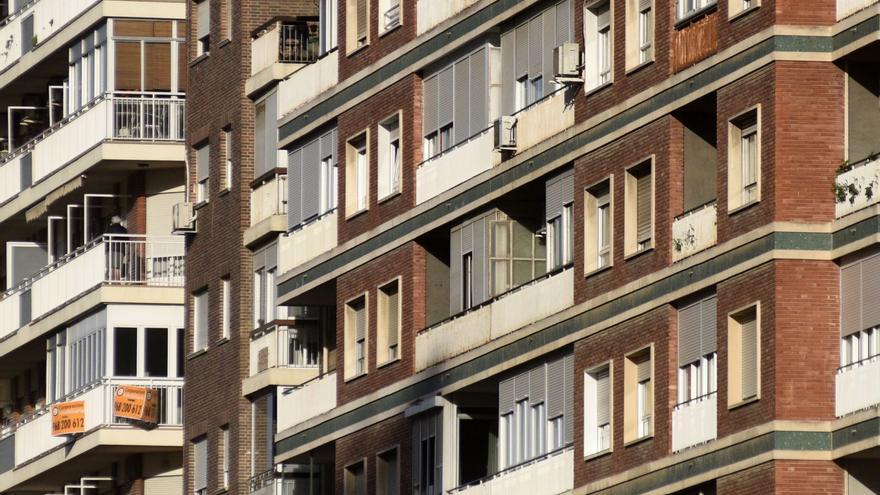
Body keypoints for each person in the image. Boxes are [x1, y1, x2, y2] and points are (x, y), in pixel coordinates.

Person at [107, 216, 128, 280]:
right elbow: (127, 239)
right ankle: (117, 280)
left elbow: (106, 238)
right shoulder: (124, 229)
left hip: (112, 249)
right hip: (121, 249)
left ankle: (113, 280)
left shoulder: (110, 228)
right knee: (118, 266)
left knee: (113, 266)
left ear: (113, 221)